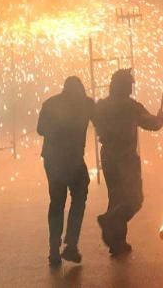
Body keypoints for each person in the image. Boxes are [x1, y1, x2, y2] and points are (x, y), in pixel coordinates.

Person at [93, 68, 163, 257]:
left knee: (116, 199)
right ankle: (110, 220)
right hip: (126, 159)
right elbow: (152, 124)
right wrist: (160, 119)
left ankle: (117, 243)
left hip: (108, 157)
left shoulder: (102, 106)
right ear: (125, 86)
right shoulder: (131, 106)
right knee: (134, 200)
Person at [36, 76, 94, 267]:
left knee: (57, 202)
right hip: (73, 159)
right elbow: (103, 118)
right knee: (79, 196)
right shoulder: (85, 104)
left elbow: (40, 129)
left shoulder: (51, 104)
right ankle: (71, 243)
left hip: (53, 160)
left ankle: (54, 249)